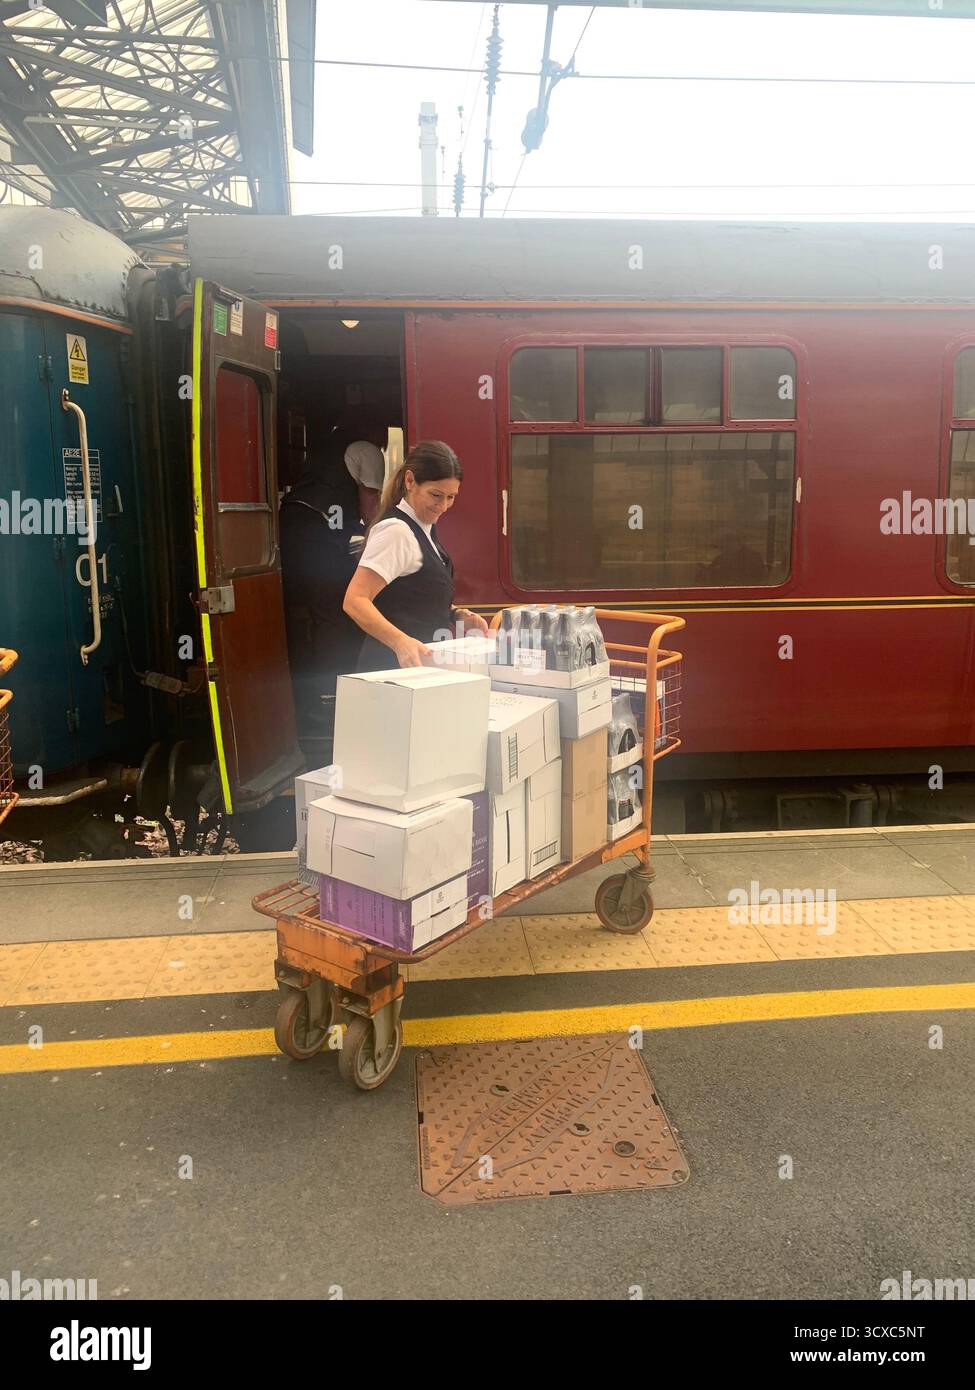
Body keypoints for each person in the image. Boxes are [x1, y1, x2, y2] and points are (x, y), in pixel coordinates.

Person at [279, 406, 387, 730]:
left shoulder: (329, 446)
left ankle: (312, 693)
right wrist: (380, 538)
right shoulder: (367, 450)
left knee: (310, 611)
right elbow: (370, 505)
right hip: (317, 537)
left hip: (293, 532)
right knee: (336, 613)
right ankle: (331, 699)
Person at [343, 440, 489, 670]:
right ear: (410, 481)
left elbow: (410, 596)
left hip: (416, 669)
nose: (443, 506)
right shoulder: (396, 531)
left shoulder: (424, 527)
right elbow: (355, 601)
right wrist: (400, 642)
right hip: (391, 671)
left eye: (451, 497)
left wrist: (456, 614)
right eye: (436, 495)